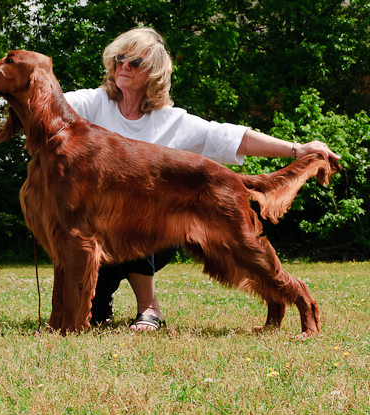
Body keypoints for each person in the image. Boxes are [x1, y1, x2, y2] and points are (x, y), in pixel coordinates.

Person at [63, 27, 339, 332]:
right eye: (119, 59)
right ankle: (275, 310)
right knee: (95, 312)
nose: (123, 66)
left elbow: (231, 137)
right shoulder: (92, 104)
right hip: (101, 232)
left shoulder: (171, 121)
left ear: (153, 73)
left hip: (159, 226)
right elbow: (48, 104)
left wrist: (296, 149)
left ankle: (150, 308)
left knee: (242, 254)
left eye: (134, 62)